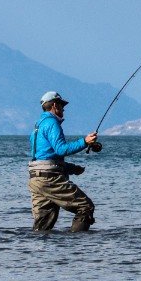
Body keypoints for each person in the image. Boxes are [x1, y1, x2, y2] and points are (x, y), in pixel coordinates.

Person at [29, 90, 100, 232]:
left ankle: (36, 252)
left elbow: (44, 157)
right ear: (55, 105)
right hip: (50, 179)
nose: (63, 109)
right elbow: (61, 150)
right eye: (62, 106)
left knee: (42, 226)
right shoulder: (52, 123)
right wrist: (85, 142)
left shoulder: (38, 126)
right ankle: (77, 248)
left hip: (36, 179)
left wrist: (72, 168)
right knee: (85, 207)